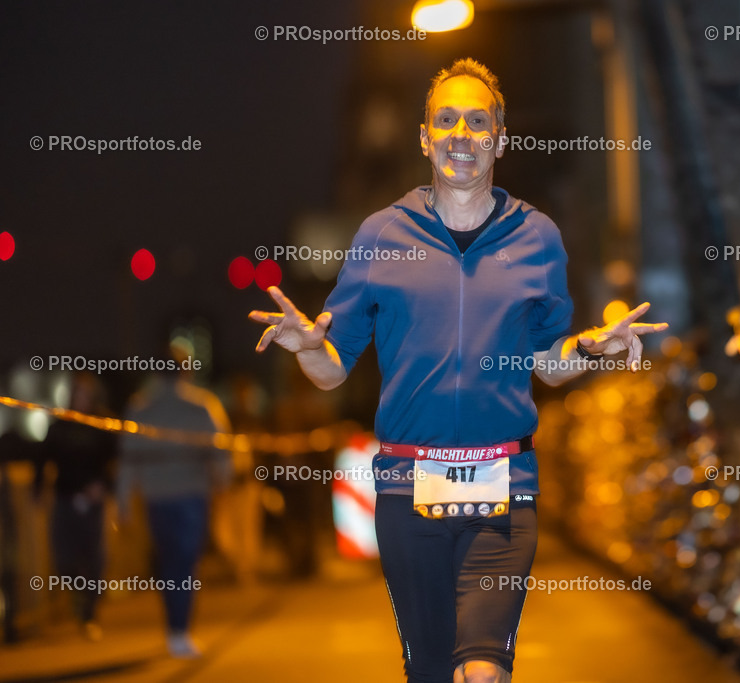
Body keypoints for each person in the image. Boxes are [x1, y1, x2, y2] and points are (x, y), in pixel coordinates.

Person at [249, 58, 667, 683]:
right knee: (430, 671)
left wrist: (589, 348)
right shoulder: (380, 235)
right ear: (425, 138)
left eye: (477, 121)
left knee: (482, 670)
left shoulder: (537, 237)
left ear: (500, 139)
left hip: (504, 488)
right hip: (406, 489)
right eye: (446, 121)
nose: (461, 135)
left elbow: (547, 365)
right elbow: (333, 370)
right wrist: (309, 345)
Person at [117, 345, 231, 659]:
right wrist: (223, 482)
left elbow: (128, 460)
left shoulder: (141, 408)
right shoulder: (202, 406)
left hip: (156, 497)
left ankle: (174, 627)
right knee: (185, 563)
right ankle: (180, 630)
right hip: (192, 494)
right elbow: (221, 450)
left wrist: (124, 502)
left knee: (168, 562)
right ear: (186, 371)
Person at [33, 373, 116, 641]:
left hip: (94, 504)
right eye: (77, 392)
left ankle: (89, 614)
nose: (81, 398)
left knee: (95, 559)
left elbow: (116, 461)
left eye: (86, 393)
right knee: (64, 560)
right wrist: (38, 490)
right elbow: (41, 459)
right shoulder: (59, 426)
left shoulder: (102, 424)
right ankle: (78, 597)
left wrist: (104, 486)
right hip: (65, 500)